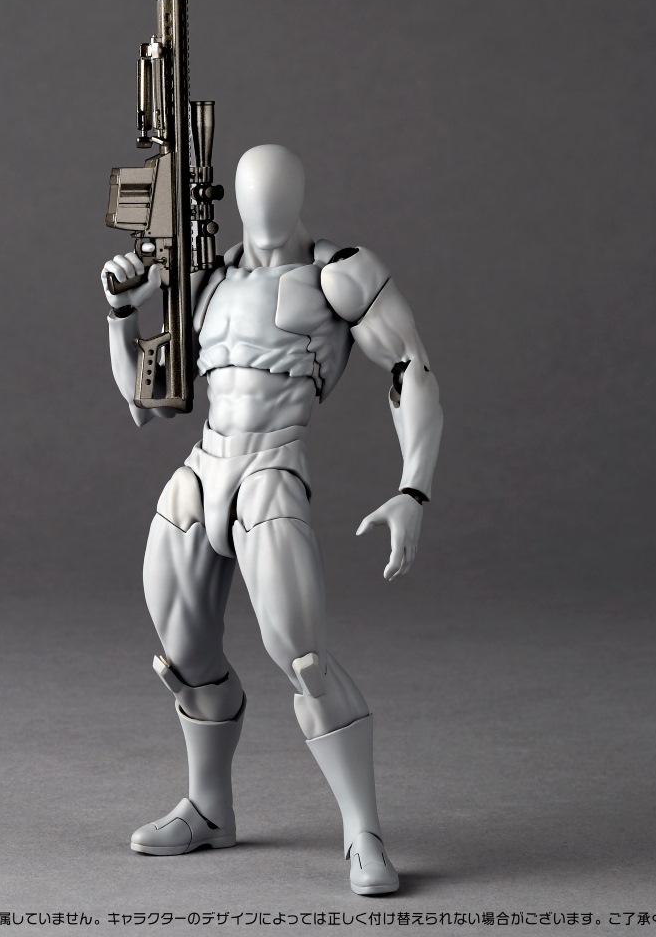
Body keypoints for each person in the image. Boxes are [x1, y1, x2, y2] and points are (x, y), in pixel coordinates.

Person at [102, 144, 443, 895]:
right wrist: (123, 311)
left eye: (276, 192)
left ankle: (363, 833)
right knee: (183, 655)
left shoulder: (339, 274)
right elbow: (144, 402)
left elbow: (410, 366)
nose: (263, 209)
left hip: (271, 468)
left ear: (297, 196)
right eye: (253, 194)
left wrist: (413, 489)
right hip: (202, 467)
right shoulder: (205, 279)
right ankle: (208, 809)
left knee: (303, 658)